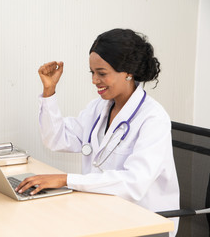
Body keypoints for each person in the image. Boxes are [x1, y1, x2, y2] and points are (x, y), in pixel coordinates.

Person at [15, 28, 179, 235]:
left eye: (102, 73)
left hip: (143, 223)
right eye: (92, 73)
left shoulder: (153, 118)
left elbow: (133, 183)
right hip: (102, 211)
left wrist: (66, 180)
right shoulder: (99, 108)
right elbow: (56, 139)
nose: (94, 80)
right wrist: (49, 92)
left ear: (128, 72)